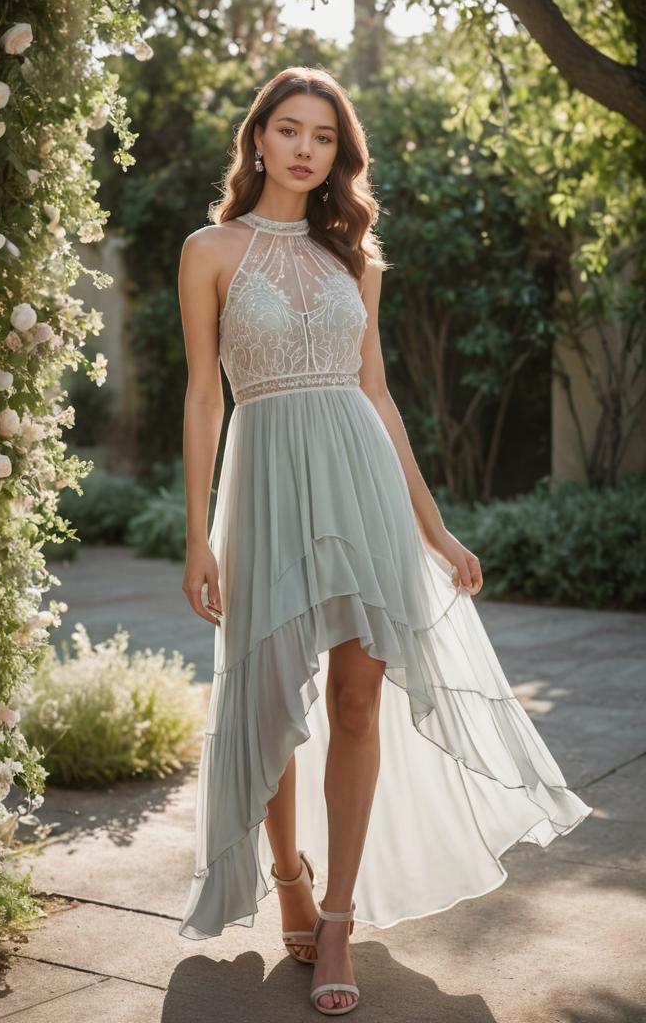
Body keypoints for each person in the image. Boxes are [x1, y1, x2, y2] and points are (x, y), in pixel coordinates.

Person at [177, 65, 592, 1016]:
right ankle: (285, 871)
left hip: (360, 480)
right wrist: (198, 535)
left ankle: (336, 921)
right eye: (289, 129)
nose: (304, 148)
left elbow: (377, 395)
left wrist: (436, 530)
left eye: (323, 136)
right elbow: (205, 396)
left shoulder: (355, 257)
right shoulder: (212, 248)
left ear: (338, 155)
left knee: (360, 700)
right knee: (272, 694)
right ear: (258, 139)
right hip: (269, 480)